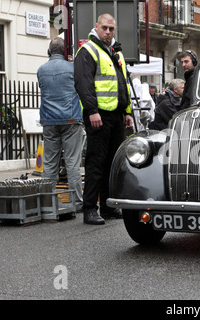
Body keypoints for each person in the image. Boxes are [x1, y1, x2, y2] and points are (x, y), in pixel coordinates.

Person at [74, 13, 133, 225]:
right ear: (96, 27)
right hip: (98, 115)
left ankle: (108, 207)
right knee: (95, 162)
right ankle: (90, 208)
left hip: (116, 115)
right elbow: (83, 84)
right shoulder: (88, 51)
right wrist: (91, 111)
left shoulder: (115, 52)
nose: (108, 32)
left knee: (112, 163)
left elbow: (123, 84)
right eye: (105, 28)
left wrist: (127, 112)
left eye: (111, 29)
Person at [37, 37, 84, 212]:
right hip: (71, 119)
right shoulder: (72, 68)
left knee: (49, 163)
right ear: (65, 51)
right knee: (72, 163)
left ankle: (47, 202)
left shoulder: (41, 70)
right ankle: (77, 203)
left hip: (49, 120)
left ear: (49, 51)